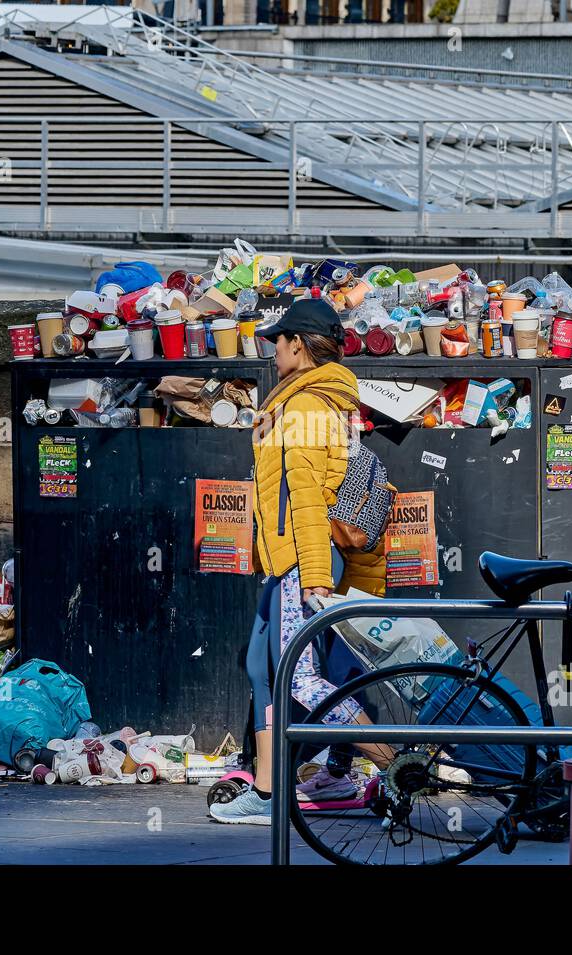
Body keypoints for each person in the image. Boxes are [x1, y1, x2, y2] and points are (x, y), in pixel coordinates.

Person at [209, 299, 386, 825]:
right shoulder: (299, 401)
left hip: (303, 559)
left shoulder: (307, 408)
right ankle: (272, 789)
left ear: (300, 346)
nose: (272, 346)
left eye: (279, 339)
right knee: (261, 664)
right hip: (286, 557)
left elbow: (308, 498)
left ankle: (396, 768)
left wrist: (312, 577)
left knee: (302, 678)